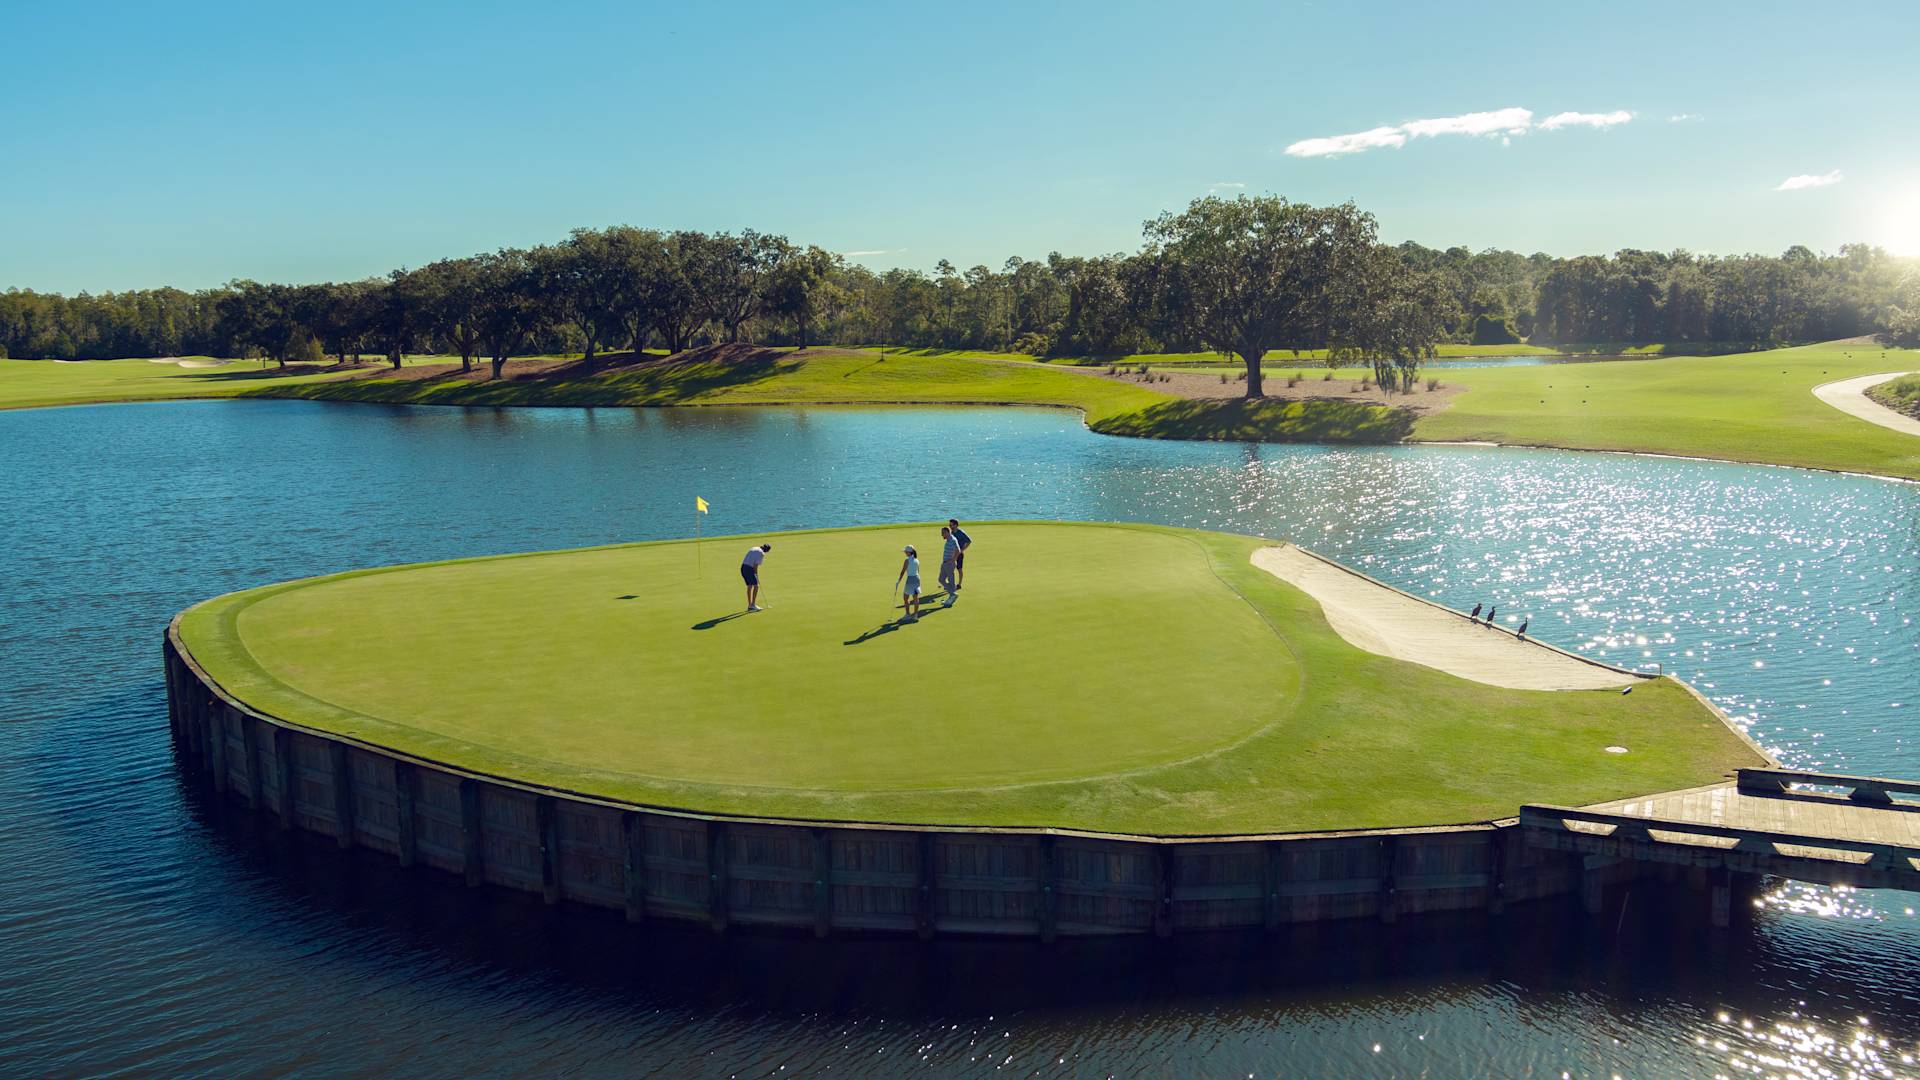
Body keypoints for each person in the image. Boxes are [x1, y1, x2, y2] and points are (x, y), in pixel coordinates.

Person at [741, 543, 771, 611]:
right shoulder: (761, 553)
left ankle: (750, 605)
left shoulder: (753, 548)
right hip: (749, 569)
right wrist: (756, 574)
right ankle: (753, 605)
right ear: (766, 550)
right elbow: (755, 565)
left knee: (750, 586)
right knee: (756, 586)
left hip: (743, 568)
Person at [895, 545, 922, 621]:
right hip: (917, 579)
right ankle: (915, 615)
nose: (905, 553)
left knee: (905, 597)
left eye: (906, 552)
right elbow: (918, 571)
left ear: (909, 552)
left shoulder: (907, 560)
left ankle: (908, 615)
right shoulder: (917, 560)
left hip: (910, 580)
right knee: (915, 598)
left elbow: (903, 571)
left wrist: (898, 581)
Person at [947, 519, 973, 591]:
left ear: (956, 525)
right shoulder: (951, 533)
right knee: (950, 569)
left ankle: (959, 584)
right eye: (949, 525)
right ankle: (951, 584)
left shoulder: (961, 533)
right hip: (952, 553)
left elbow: (969, 541)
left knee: (959, 569)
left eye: (951, 525)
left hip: (959, 554)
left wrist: (962, 550)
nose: (950, 526)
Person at [938, 525, 960, 606]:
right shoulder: (948, 540)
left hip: (949, 564)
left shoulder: (952, 540)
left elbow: (958, 550)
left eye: (943, 533)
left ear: (948, 532)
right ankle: (952, 594)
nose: (942, 535)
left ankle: (951, 597)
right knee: (941, 579)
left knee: (951, 581)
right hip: (945, 563)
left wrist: (952, 560)